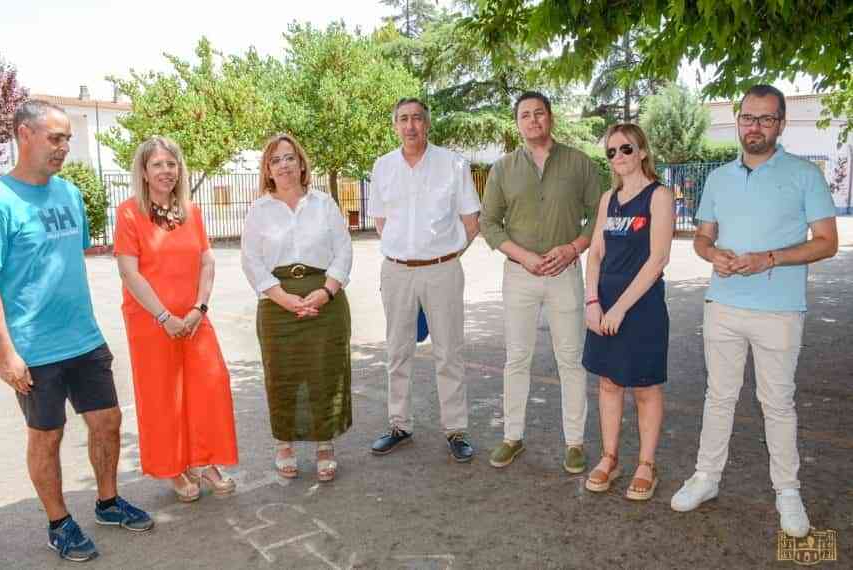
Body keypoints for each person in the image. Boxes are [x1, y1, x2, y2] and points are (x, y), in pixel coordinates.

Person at [0, 100, 152, 563]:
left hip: (84, 338)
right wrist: (5, 354)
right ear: (23, 134)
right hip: (34, 349)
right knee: (47, 436)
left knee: (108, 422)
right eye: (55, 138)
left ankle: (108, 502)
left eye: (67, 140)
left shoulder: (71, 194)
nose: (63, 147)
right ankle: (59, 523)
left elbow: (68, 262)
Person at [670, 85, 838, 537]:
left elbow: (828, 241)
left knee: (777, 404)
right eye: (748, 118)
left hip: (780, 311)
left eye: (765, 119)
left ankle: (787, 492)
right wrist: (712, 254)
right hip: (722, 305)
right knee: (718, 398)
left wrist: (770, 258)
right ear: (738, 121)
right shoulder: (720, 178)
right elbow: (702, 236)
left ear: (781, 124)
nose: (755, 127)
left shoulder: (804, 174)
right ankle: (706, 477)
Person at [480, 91, 601, 472]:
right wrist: (523, 255)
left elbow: (598, 216)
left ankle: (575, 443)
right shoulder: (502, 169)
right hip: (520, 275)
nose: (533, 120)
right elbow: (488, 223)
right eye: (525, 115)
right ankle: (512, 437)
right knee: (517, 357)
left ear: (551, 118)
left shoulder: (579, 164)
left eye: (539, 113)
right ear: (517, 123)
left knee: (571, 359)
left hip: (565, 273)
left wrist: (574, 248)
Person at [113, 136, 239, 502]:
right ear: (144, 171)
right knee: (163, 397)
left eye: (171, 164)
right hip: (151, 322)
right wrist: (164, 316)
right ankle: (174, 467)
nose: (166, 171)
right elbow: (129, 273)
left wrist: (199, 308)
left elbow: (207, 261)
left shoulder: (191, 211)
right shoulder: (128, 213)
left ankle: (206, 460)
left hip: (194, 318)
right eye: (157, 164)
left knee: (209, 387)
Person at [368, 97, 481, 462]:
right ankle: (399, 424)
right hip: (397, 271)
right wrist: (406, 252)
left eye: (417, 118)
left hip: (442, 270)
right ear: (395, 125)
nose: (411, 125)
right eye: (403, 119)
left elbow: (471, 222)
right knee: (397, 351)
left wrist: (444, 256)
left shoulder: (453, 164)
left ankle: (456, 430)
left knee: (449, 352)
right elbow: (381, 221)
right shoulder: (383, 167)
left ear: (427, 124)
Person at [241, 133, 353, 482]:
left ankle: (324, 444)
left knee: (325, 373)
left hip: (325, 301)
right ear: (268, 170)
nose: (284, 165)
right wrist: (282, 297)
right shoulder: (259, 210)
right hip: (278, 305)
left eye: (290, 157)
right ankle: (284, 444)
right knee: (282, 375)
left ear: (301, 163)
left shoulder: (324, 204)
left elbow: (344, 250)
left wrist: (327, 291)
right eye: (276, 160)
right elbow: (251, 261)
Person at [581, 123, 674, 500]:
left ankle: (646, 465)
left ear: (643, 152)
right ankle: (610, 457)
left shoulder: (659, 196)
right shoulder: (608, 199)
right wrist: (592, 301)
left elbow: (658, 260)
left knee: (645, 388)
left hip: (641, 306)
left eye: (626, 149)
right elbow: (596, 254)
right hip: (605, 305)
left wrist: (619, 308)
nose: (619, 157)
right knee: (608, 382)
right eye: (612, 152)